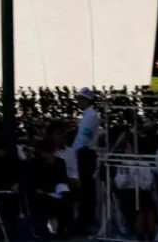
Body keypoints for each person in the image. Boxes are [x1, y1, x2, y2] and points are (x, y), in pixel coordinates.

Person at [29, 140, 72, 237]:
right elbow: (32, 179)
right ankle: (43, 229)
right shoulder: (36, 163)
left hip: (57, 189)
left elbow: (64, 177)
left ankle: (62, 228)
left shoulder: (60, 162)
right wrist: (37, 189)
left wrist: (65, 185)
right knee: (42, 203)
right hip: (42, 191)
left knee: (66, 201)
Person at [71, 87, 99, 231]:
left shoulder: (91, 116)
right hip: (85, 153)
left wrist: (74, 150)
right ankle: (86, 219)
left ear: (88, 100)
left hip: (86, 154)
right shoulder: (88, 115)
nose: (78, 101)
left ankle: (86, 221)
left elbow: (84, 136)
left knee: (87, 189)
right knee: (86, 189)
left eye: (81, 99)